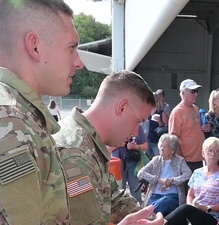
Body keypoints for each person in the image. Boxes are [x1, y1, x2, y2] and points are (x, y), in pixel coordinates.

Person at [0, 1, 84, 224]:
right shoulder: (10, 119)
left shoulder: (21, 115)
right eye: (71, 47)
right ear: (35, 46)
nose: (79, 62)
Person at [53, 71, 163, 224]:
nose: (136, 132)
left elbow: (113, 198)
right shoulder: (76, 154)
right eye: (138, 121)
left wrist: (149, 218)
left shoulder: (88, 143)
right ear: (122, 107)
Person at [164, 137, 219, 225]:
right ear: (203, 153)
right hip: (194, 211)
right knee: (181, 215)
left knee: (185, 209)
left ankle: (159, 223)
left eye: (217, 151)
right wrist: (191, 206)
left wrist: (207, 208)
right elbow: (190, 194)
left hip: (212, 217)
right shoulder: (197, 173)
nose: (213, 154)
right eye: (210, 151)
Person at [137, 134, 192, 215]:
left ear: (173, 150)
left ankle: (145, 215)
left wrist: (171, 181)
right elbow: (140, 173)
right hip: (154, 195)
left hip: (172, 196)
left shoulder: (180, 161)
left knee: (159, 205)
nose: (161, 149)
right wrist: (158, 180)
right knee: (153, 206)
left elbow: (188, 174)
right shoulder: (156, 160)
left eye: (165, 147)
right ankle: (146, 215)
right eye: (161, 146)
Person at [168, 79, 211, 172]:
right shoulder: (177, 112)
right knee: (187, 187)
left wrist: (207, 128)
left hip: (199, 159)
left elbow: (197, 129)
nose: (196, 94)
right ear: (183, 93)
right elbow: (173, 139)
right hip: (186, 161)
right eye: (193, 91)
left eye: (197, 91)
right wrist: (181, 161)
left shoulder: (196, 109)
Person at [147, 92, 169, 157]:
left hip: (157, 141)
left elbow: (166, 128)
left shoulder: (162, 113)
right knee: (148, 160)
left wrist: (159, 121)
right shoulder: (147, 112)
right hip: (147, 140)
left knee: (158, 159)